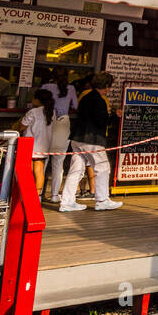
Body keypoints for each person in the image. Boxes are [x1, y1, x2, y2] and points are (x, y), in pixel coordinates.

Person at [59, 72, 122, 212]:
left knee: (76, 170)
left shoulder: (85, 97)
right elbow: (102, 122)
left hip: (77, 138)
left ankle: (67, 202)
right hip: (92, 139)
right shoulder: (99, 100)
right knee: (103, 168)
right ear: (105, 86)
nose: (109, 89)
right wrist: (115, 116)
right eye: (109, 86)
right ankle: (102, 200)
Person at [43, 68, 79, 202]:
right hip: (63, 123)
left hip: (46, 123)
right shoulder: (71, 88)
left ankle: (38, 194)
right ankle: (53, 196)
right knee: (58, 163)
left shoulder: (46, 86)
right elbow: (76, 106)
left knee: (42, 161)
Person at [18, 88, 55, 197]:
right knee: (39, 172)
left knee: (27, 172)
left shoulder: (33, 112)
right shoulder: (52, 112)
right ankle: (37, 196)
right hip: (43, 146)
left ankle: (26, 195)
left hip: (29, 145)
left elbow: (21, 127)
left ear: (37, 100)